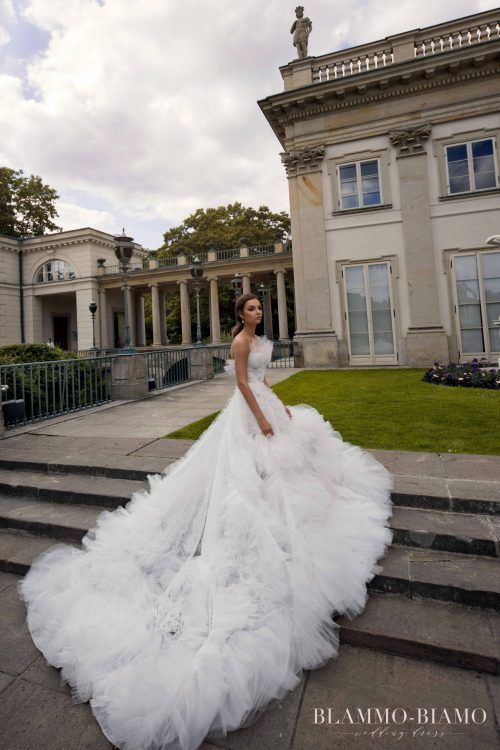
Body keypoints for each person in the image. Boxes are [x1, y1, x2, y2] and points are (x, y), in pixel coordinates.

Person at [18, 293, 394, 750]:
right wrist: (261, 417)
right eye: (251, 309)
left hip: (267, 406)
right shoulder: (239, 341)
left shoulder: (262, 340)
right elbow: (240, 384)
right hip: (246, 416)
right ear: (240, 314)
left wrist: (279, 406)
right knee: (247, 477)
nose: (257, 313)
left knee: (291, 469)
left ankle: (285, 517)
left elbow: (261, 380)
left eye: (259, 309)